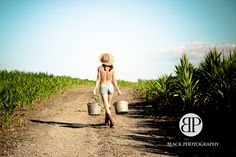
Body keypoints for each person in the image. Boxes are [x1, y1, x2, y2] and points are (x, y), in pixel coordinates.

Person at [93, 53, 122, 128]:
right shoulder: (112, 69)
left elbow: (98, 79)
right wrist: (118, 90)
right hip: (110, 86)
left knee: (106, 104)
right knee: (108, 104)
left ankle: (110, 118)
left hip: (103, 86)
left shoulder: (100, 68)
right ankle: (106, 120)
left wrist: (95, 88)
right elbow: (114, 81)